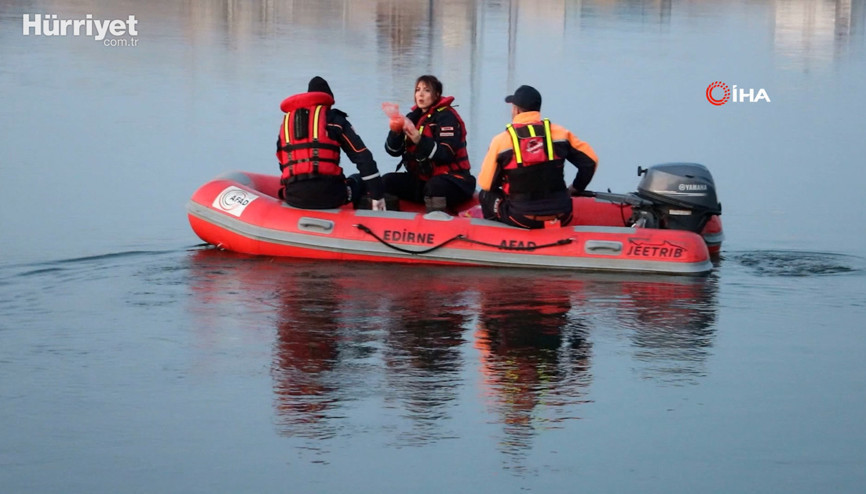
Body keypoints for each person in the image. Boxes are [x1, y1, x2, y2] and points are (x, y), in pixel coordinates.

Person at [478, 85, 598, 229]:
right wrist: (576, 187)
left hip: (522, 218)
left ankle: (496, 240)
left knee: (486, 194)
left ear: (515, 110)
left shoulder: (501, 141)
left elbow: (486, 183)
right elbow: (590, 162)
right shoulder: (561, 134)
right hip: (562, 215)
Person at [277, 76, 385, 210]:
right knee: (359, 180)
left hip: (294, 198)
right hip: (332, 197)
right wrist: (377, 195)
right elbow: (363, 157)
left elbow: (284, 164)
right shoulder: (335, 119)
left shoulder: (287, 124)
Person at [383, 75, 476, 213]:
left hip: (454, 180)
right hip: (423, 179)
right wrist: (395, 132)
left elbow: (445, 154)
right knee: (386, 181)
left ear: (436, 94)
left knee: (434, 186)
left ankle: (437, 226)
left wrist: (419, 140)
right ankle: (391, 226)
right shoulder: (412, 117)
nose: (420, 94)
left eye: (426, 90)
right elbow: (393, 151)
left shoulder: (447, 117)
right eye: (417, 90)